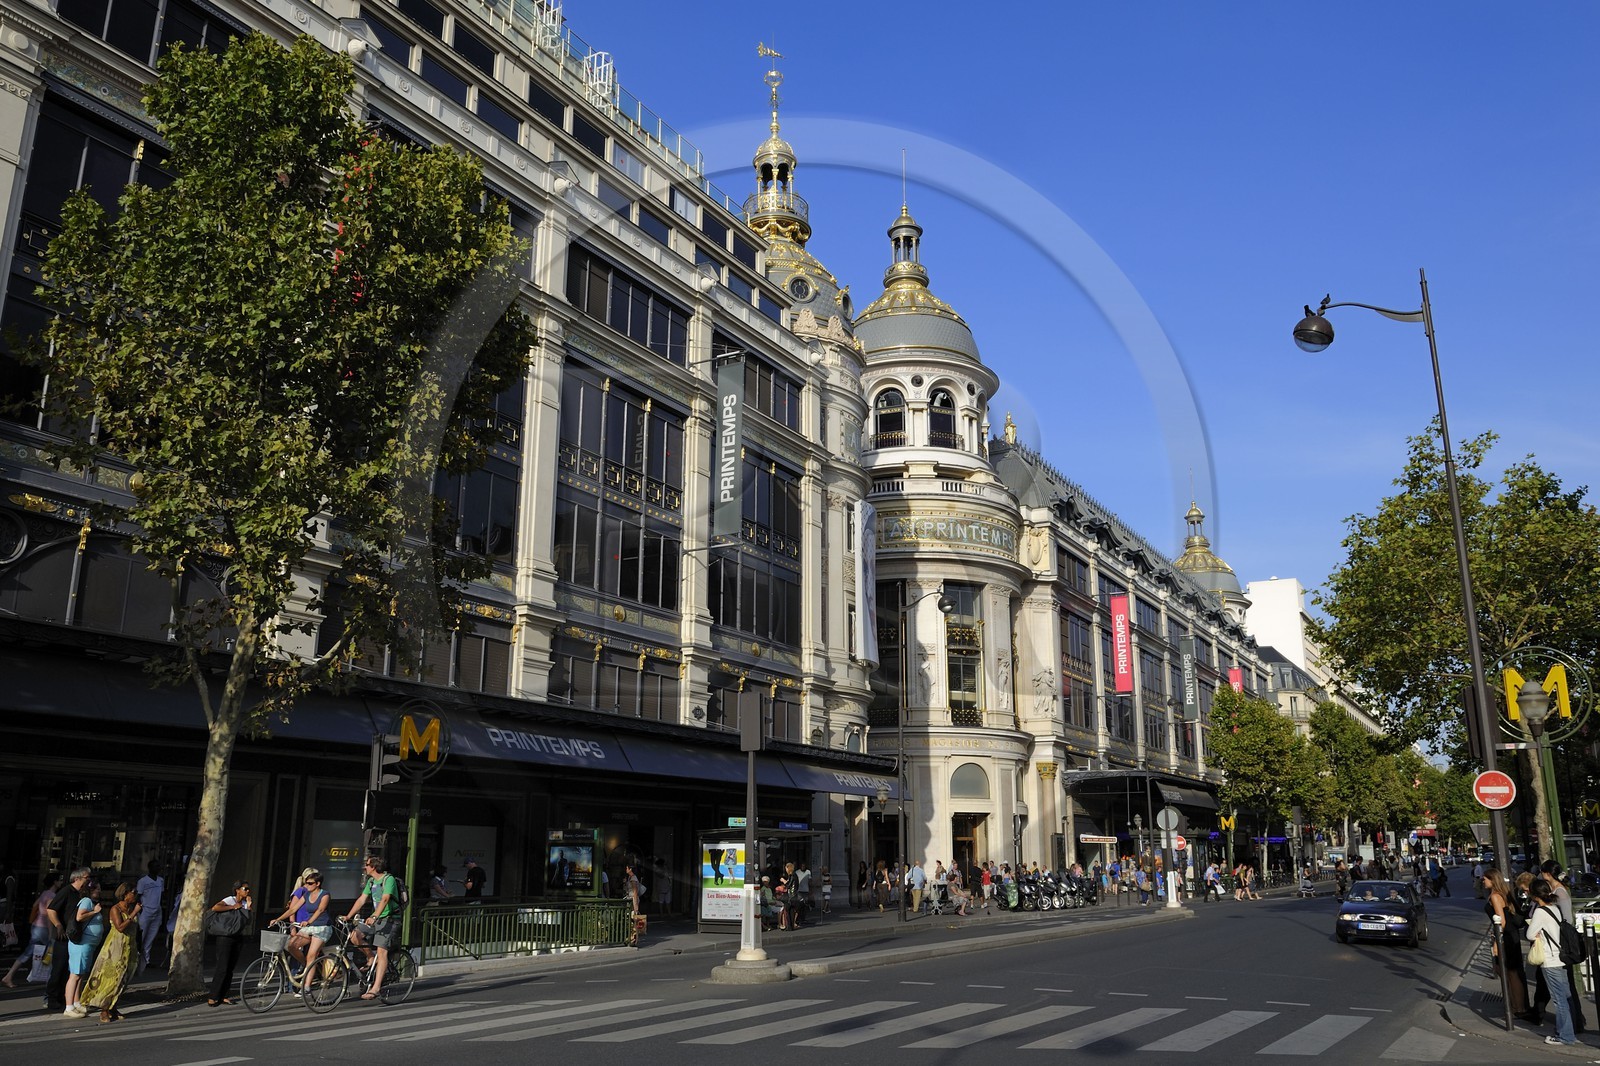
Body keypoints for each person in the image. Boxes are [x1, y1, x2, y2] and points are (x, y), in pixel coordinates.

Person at [1530, 861, 1586, 1034]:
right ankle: (1573, 1024)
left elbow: (1566, 921)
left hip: (1560, 948)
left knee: (1565, 992)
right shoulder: (1554, 891)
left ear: (1546, 873)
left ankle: (1573, 1026)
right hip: (1558, 945)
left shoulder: (1559, 892)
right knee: (1564, 990)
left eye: (1541, 872)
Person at [81, 882, 138, 1023]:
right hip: (115, 948)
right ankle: (104, 1009)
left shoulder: (130, 908)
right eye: (133, 892)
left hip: (129, 947)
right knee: (110, 978)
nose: (135, 895)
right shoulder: (116, 909)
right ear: (125, 894)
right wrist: (134, 914)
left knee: (123, 979)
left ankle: (113, 1006)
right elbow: (120, 927)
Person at [344, 856, 397, 1001]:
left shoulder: (388, 879)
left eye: (366, 865)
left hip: (389, 919)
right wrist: (348, 916)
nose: (365, 867)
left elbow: (385, 899)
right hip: (375, 919)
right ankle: (370, 957)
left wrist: (374, 916)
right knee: (355, 935)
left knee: (382, 951)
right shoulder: (371, 881)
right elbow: (362, 899)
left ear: (373, 866)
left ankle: (376, 988)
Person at [270, 868, 330, 989]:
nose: (307, 885)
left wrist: (308, 921)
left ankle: (306, 987)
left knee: (311, 955)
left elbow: (320, 910)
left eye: (310, 883)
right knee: (291, 945)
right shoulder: (306, 894)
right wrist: (278, 919)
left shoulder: (325, 894)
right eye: (306, 883)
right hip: (309, 928)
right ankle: (308, 966)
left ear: (317, 884)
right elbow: (293, 909)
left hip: (322, 927)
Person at [1483, 866, 1530, 1018]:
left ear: (1492, 880)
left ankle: (1518, 1007)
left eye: (1485, 879)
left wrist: (1497, 941)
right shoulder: (1503, 893)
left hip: (1507, 937)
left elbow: (1501, 921)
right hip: (1511, 935)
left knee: (1509, 972)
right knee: (1511, 971)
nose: (1482, 881)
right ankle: (1517, 1006)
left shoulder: (1496, 896)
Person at [2, 871, 61, 988]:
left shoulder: (45, 893)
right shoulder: (52, 896)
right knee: (53, 952)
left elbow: (35, 905)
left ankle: (8, 976)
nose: (61, 882)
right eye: (60, 880)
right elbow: (49, 915)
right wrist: (51, 933)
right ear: (54, 882)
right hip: (44, 928)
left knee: (28, 952)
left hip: (36, 926)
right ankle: (51, 981)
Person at [44, 866, 90, 1013]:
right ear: (77, 878)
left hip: (73, 937)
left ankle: (64, 998)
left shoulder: (79, 894)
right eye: (87, 878)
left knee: (68, 970)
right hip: (63, 937)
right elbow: (51, 909)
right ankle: (52, 999)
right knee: (59, 968)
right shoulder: (66, 891)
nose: (88, 881)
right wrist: (58, 925)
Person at [63, 877, 106, 1017]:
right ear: (89, 889)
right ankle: (69, 1007)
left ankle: (76, 1003)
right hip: (82, 944)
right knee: (75, 975)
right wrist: (95, 911)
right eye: (96, 888)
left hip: (87, 944)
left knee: (80, 974)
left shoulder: (90, 902)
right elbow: (79, 917)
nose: (99, 891)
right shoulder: (87, 901)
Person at [206, 879, 252, 1007]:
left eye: (248, 889)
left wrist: (248, 906)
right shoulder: (230, 900)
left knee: (230, 968)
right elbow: (216, 907)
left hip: (237, 936)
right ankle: (213, 996)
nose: (247, 891)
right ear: (237, 890)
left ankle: (224, 995)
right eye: (245, 889)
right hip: (225, 937)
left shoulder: (245, 903)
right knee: (222, 967)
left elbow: (248, 922)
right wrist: (232, 907)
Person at [134, 860, 163, 972]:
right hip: (146, 912)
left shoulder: (161, 880)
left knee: (150, 939)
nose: (158, 868)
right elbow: (138, 896)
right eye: (156, 866)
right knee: (141, 937)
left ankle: (146, 962)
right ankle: (136, 962)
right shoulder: (143, 881)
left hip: (157, 912)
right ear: (150, 868)